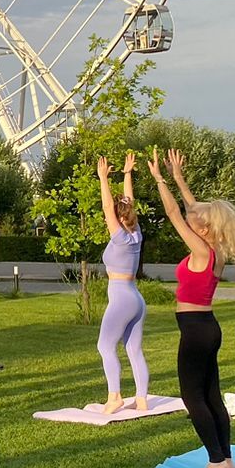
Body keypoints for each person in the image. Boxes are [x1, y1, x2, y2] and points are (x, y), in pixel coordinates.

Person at [148, 146, 235, 468]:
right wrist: (178, 176)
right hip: (207, 327)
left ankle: (216, 460)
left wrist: (160, 180)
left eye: (197, 221)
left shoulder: (201, 250)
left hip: (195, 331)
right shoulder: (215, 251)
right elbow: (191, 210)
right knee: (211, 395)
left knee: (192, 397)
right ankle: (226, 458)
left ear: (203, 229)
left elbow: (176, 213)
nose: (192, 220)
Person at [96, 153, 149, 414]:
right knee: (133, 349)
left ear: (119, 218)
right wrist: (127, 174)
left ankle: (114, 396)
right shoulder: (136, 234)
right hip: (136, 298)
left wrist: (103, 179)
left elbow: (108, 208)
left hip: (121, 298)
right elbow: (129, 203)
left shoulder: (118, 237)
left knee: (105, 346)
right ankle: (141, 399)